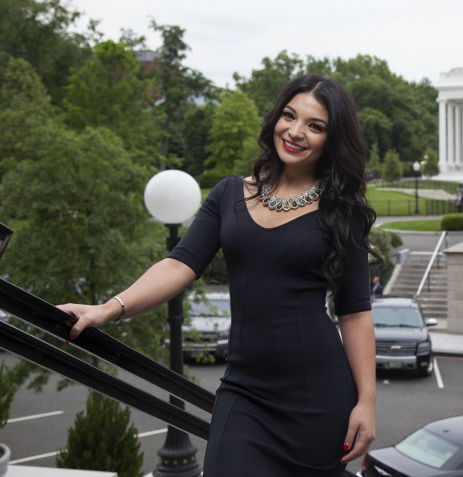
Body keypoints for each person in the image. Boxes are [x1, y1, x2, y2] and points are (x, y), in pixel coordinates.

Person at [59, 74, 378, 476]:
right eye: (289, 116)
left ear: (331, 140)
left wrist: (366, 400)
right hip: (245, 392)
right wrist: (109, 309)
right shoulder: (228, 194)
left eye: (315, 126)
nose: (296, 132)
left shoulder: (340, 211)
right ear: (275, 118)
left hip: (319, 398)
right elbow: (179, 264)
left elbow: (354, 312)